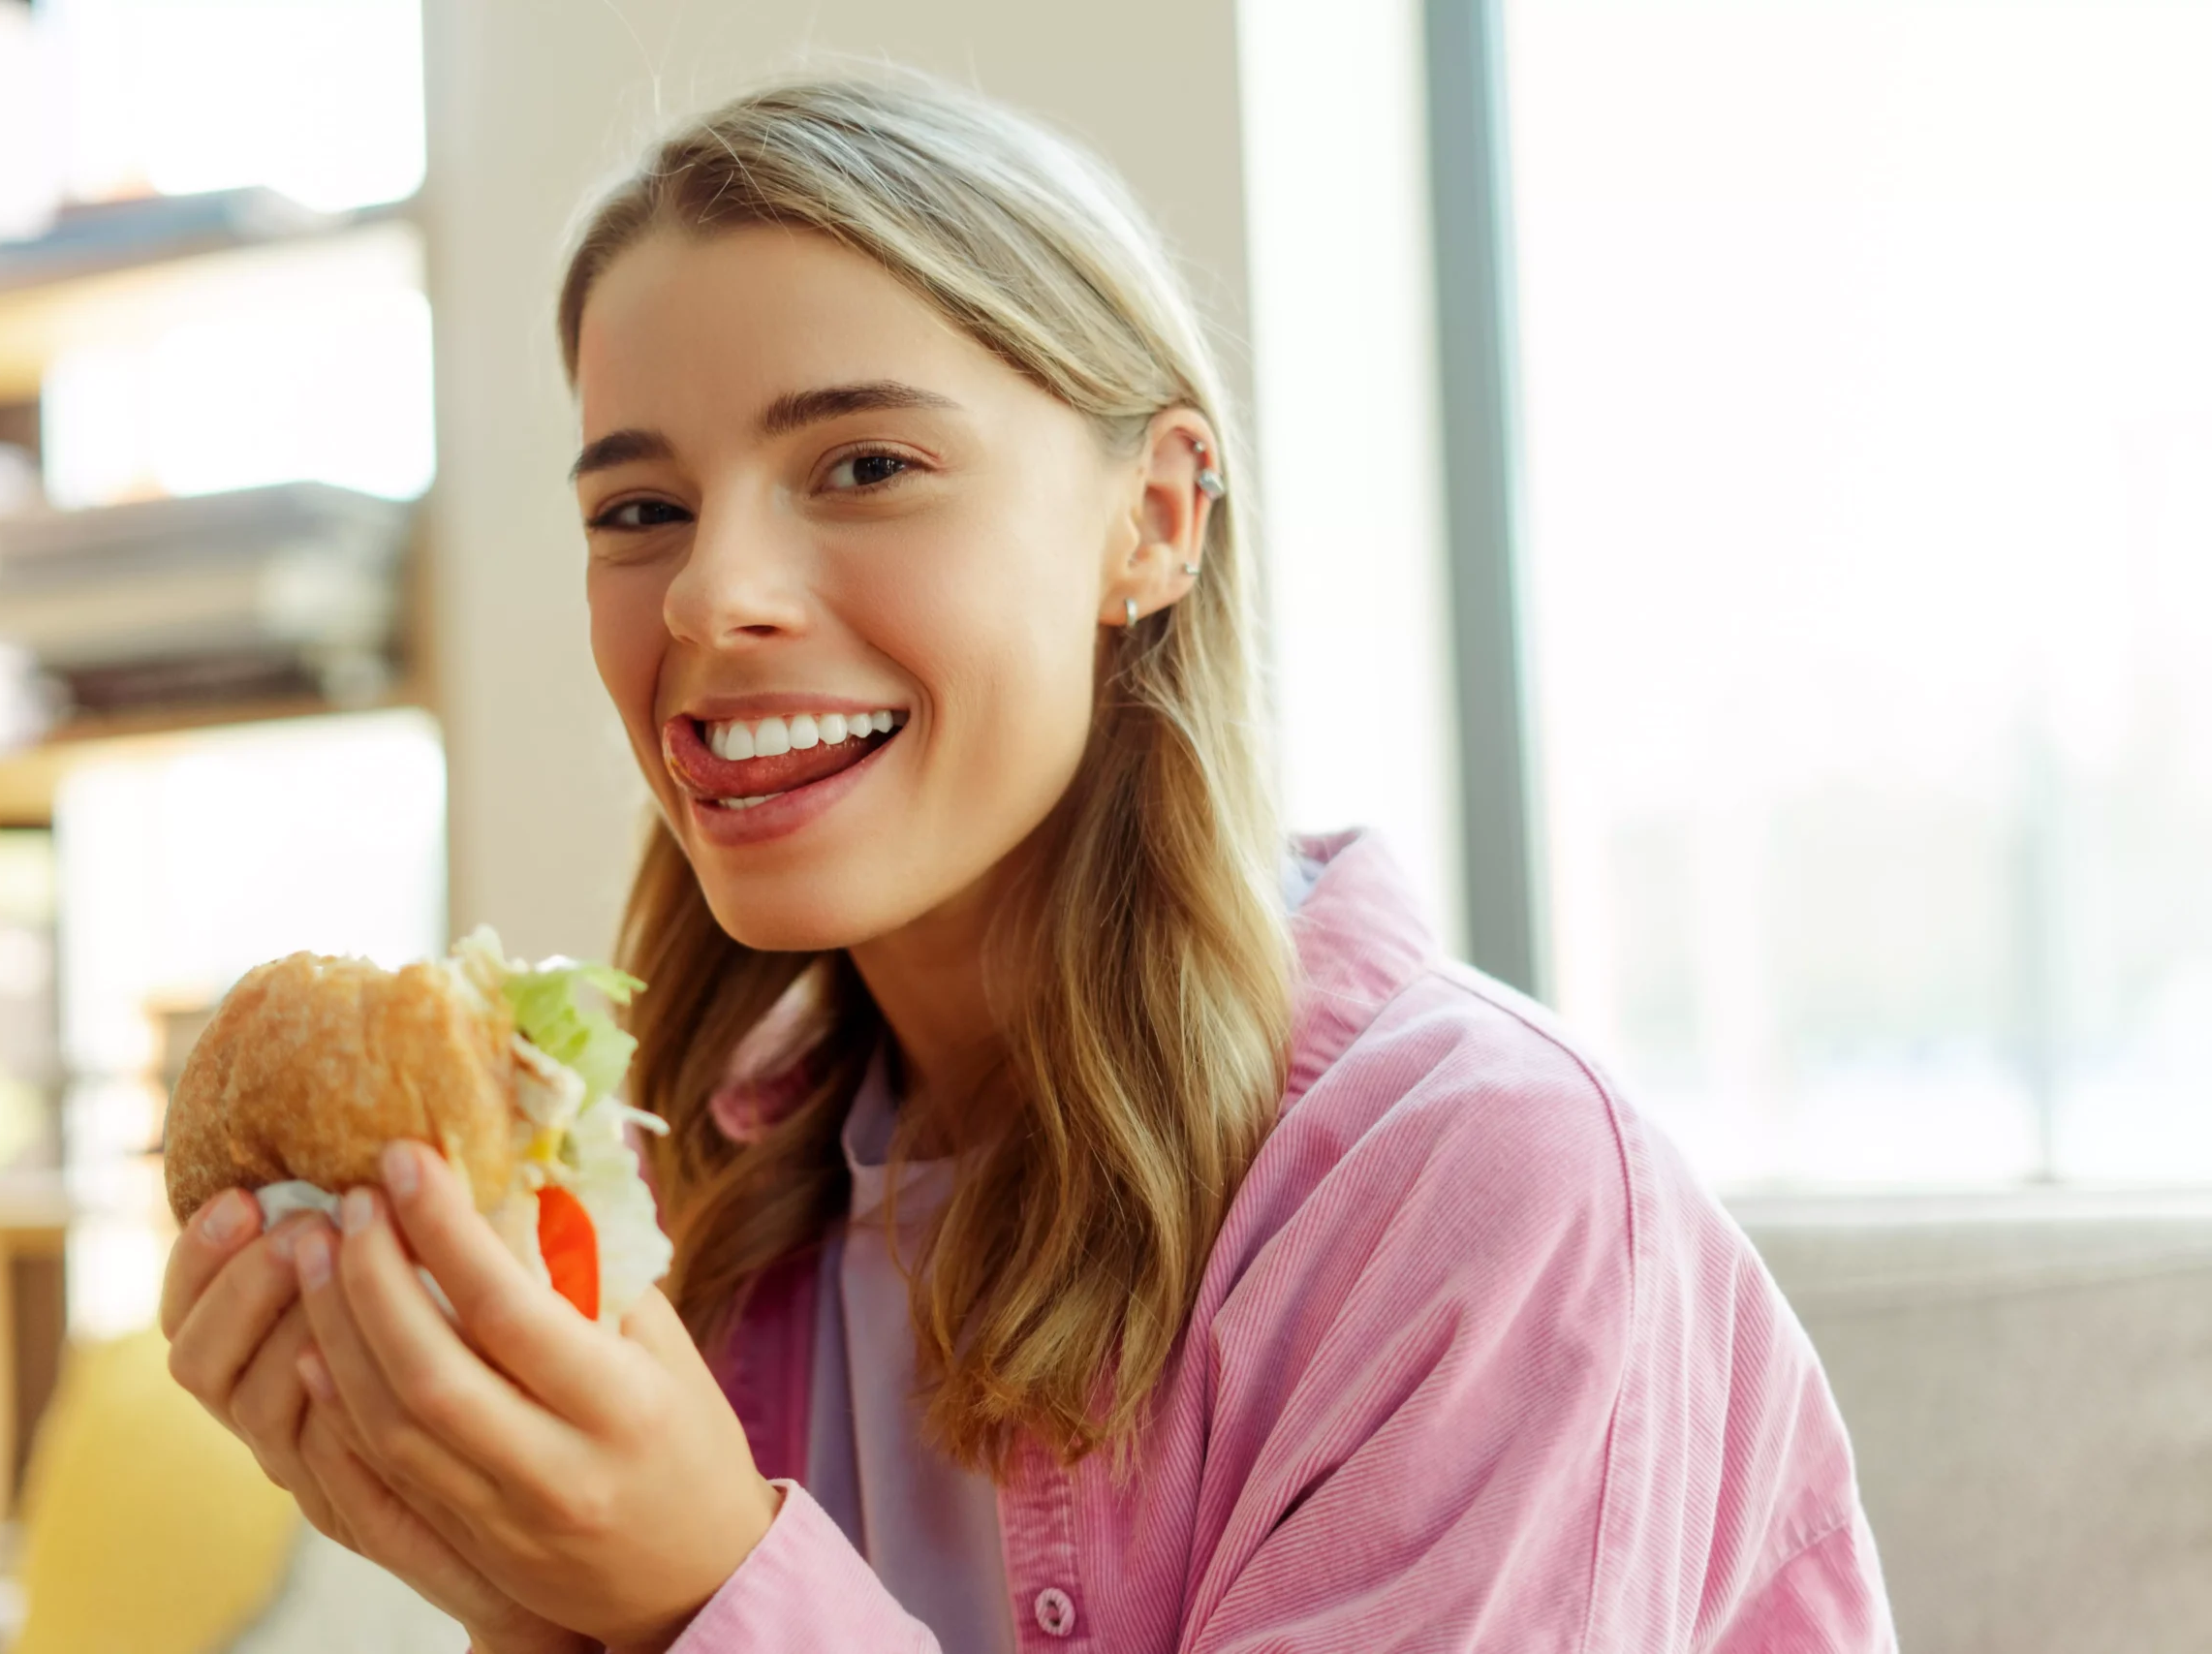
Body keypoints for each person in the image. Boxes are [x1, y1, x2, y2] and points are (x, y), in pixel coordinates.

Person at [159, 74, 1897, 1654]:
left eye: (864, 465)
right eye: (641, 509)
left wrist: (705, 1586)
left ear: (1152, 523)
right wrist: (526, 1592)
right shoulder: (703, 1196)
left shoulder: (1483, 1197)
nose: (706, 597)